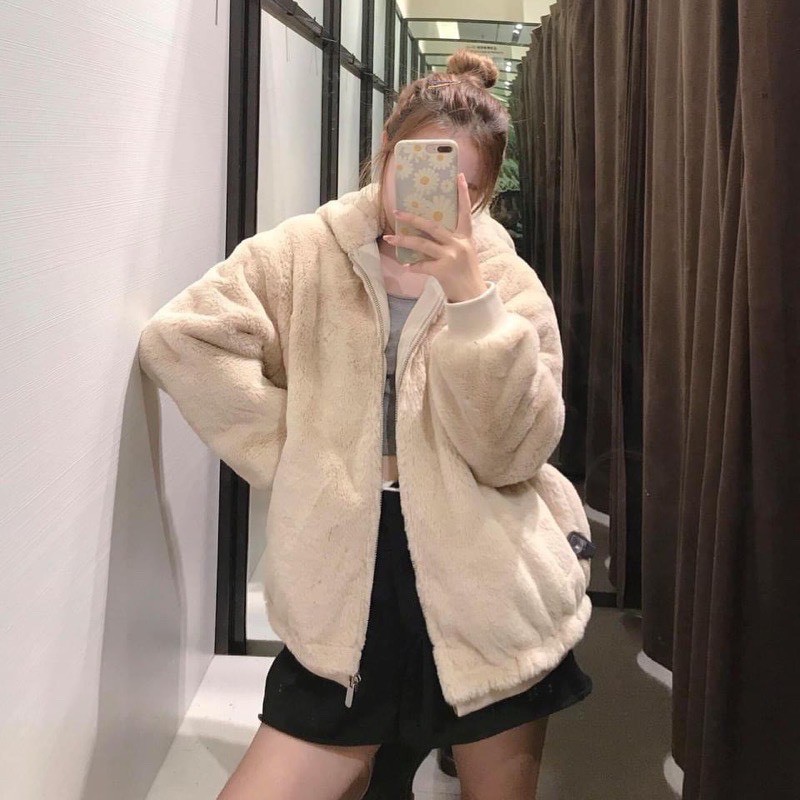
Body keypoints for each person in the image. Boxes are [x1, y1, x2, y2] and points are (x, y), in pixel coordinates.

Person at [137, 48, 594, 800]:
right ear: (385, 153)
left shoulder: (505, 281)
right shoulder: (305, 252)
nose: (430, 200)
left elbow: (512, 455)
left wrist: (471, 301)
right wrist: (297, 451)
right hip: (342, 584)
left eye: (461, 187)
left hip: (487, 588)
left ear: (482, 192)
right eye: (415, 171)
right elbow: (183, 339)